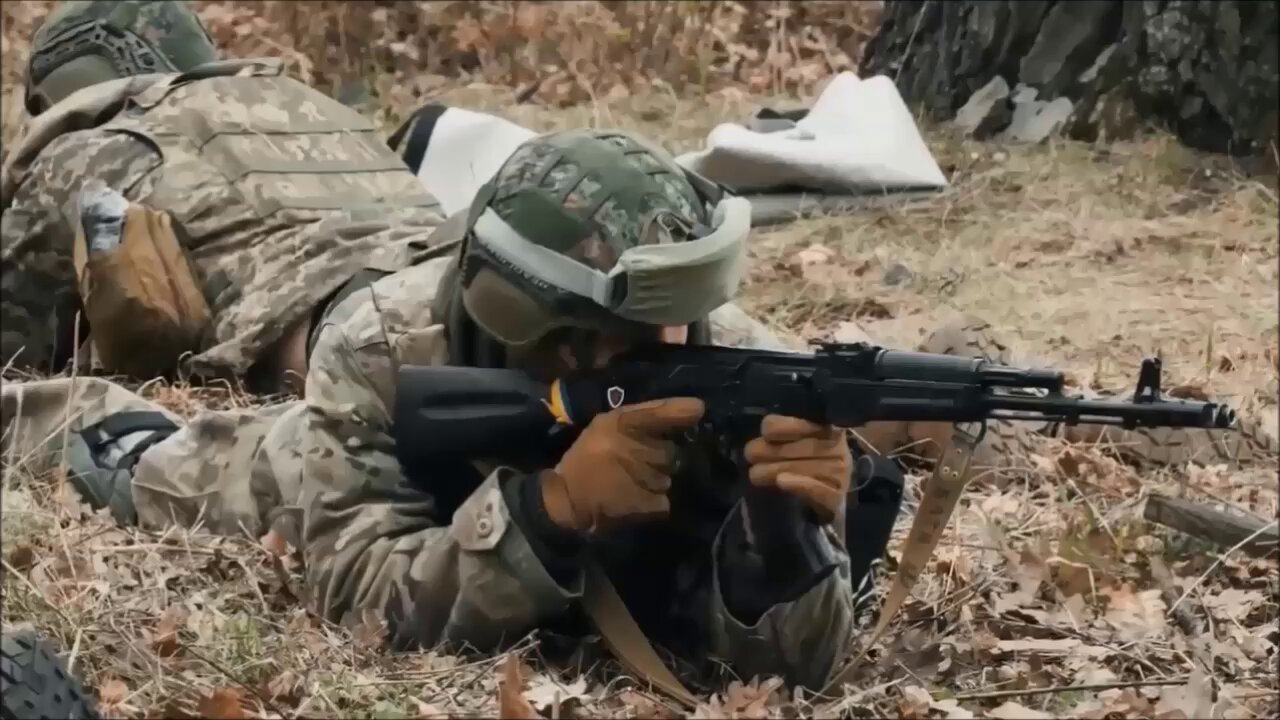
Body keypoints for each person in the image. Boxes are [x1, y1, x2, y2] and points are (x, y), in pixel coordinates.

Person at [1, 0, 447, 391]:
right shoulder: (305, 101)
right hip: (455, 274)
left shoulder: (84, 150)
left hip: (370, 335)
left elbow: (14, 344)